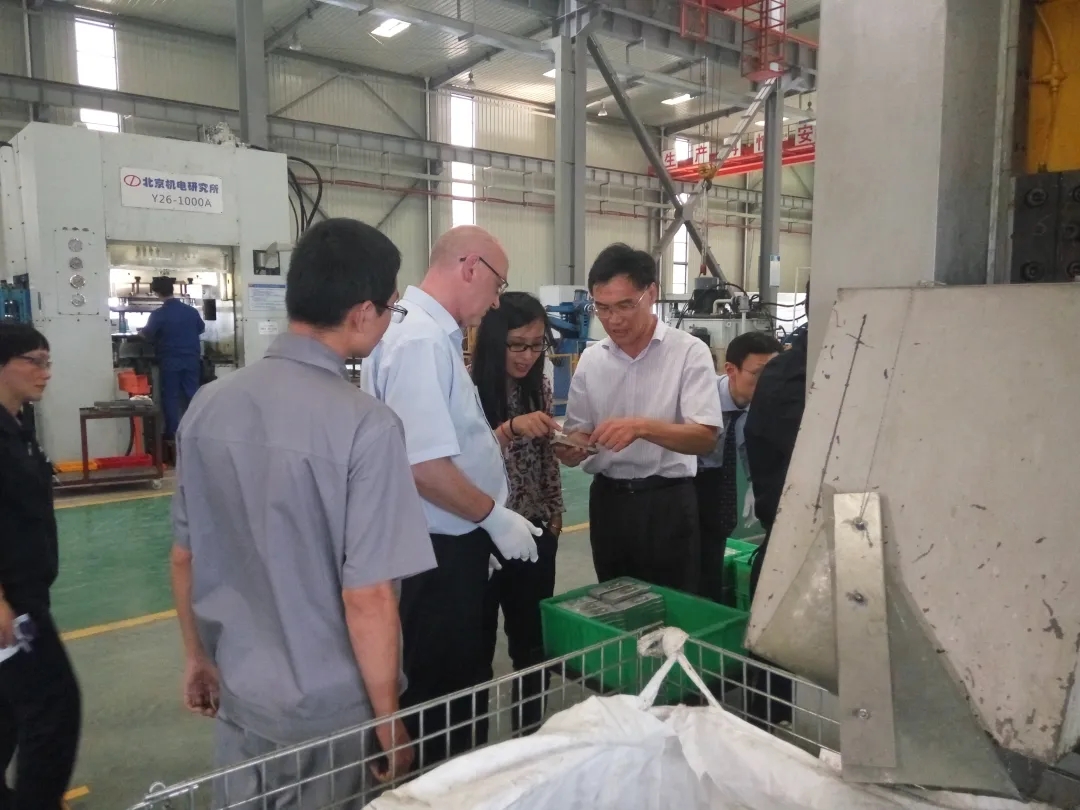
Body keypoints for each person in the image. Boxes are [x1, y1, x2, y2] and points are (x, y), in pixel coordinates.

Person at [169, 219, 437, 807]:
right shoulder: (367, 427)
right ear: (362, 313)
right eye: (392, 307)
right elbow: (368, 597)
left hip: (241, 695)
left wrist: (196, 657)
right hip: (327, 715)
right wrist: (389, 720)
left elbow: (185, 555)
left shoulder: (208, 405)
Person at [361, 226, 558, 767]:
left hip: (450, 544)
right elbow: (423, 465)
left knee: (460, 678)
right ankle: (443, 786)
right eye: (498, 285)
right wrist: (493, 517)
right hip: (440, 551)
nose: (495, 302)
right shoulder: (420, 342)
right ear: (470, 267)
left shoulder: (426, 335)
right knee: (445, 691)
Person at [558, 244, 723, 593]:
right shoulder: (591, 360)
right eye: (602, 308)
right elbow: (578, 432)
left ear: (651, 294)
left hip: (667, 503)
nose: (613, 320)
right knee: (616, 602)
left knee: (673, 603)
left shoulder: (688, 352)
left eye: (625, 305)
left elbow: (705, 437)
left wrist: (642, 427)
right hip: (608, 504)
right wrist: (571, 448)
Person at [472, 292, 563, 735]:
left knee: (531, 645)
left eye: (535, 345)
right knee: (475, 648)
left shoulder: (538, 387)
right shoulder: (468, 390)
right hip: (481, 535)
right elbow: (461, 463)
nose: (528, 356)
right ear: (495, 342)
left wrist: (554, 515)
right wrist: (509, 429)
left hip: (533, 532)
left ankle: (529, 737)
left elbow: (546, 458)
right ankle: (471, 747)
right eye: (517, 345)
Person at [0, 323, 82, 810]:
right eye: (34, 361)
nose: (45, 373)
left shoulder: (17, 425)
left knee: (9, 708)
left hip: (27, 591)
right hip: (13, 605)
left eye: (47, 362)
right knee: (54, 707)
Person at [742, 287, 810, 728]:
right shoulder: (798, 376)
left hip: (782, 542)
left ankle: (769, 730)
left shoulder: (783, 372)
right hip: (802, 549)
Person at [695, 331, 781, 603]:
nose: (768, 383)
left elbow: (750, 448)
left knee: (712, 555)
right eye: (758, 374)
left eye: (773, 374)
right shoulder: (699, 396)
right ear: (731, 370)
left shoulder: (764, 406)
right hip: (683, 481)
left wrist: (755, 484)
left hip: (718, 483)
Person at [141, 276, 205, 440]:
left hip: (170, 360)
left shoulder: (159, 314)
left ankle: (173, 434)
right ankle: (196, 430)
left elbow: (148, 335)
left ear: (157, 293)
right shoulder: (191, 311)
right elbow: (200, 329)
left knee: (171, 396)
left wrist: (141, 333)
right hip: (191, 359)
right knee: (192, 393)